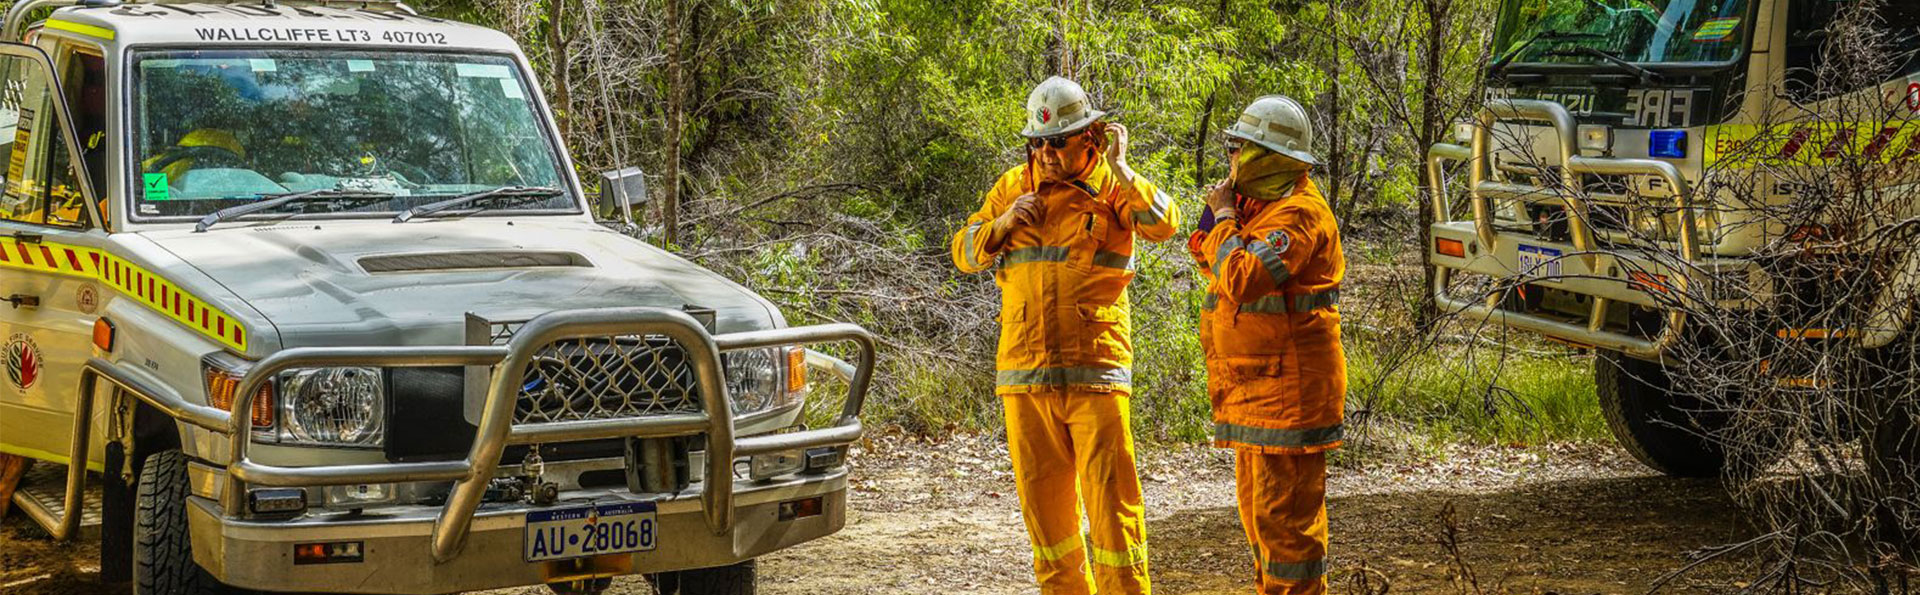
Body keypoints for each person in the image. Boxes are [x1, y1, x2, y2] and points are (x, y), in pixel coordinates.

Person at [950, 76, 1180, 595]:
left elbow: (1165, 222)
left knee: (1112, 519)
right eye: (1039, 143)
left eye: (1058, 142)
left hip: (1095, 375)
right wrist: (1001, 224)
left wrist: (1122, 168)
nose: (1047, 153)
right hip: (1025, 378)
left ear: (1091, 138)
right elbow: (963, 252)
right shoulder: (1012, 188)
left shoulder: (1112, 188)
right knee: (1049, 530)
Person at [1185, 95, 1346, 595]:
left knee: (1286, 532)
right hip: (1256, 391)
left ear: (1268, 156)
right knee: (1260, 523)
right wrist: (1224, 221)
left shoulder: (1299, 215)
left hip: (1289, 394)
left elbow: (1240, 277)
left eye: (1240, 148)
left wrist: (1224, 216)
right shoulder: (1263, 206)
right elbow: (1206, 250)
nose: (1231, 157)